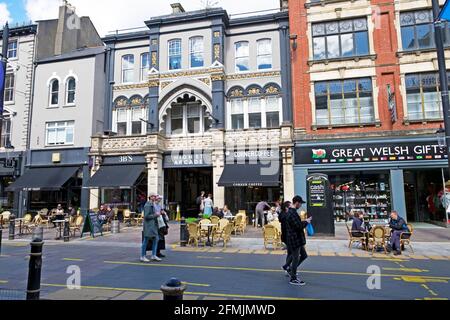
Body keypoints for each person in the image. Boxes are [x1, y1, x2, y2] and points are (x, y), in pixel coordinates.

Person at [283, 196, 311, 286]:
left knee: (303, 255)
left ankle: (290, 269)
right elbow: (298, 226)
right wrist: (306, 222)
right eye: (301, 203)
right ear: (297, 203)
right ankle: (293, 278)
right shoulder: (292, 213)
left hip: (296, 238)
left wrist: (304, 221)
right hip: (295, 239)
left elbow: (296, 224)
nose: (301, 205)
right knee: (296, 258)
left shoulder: (292, 212)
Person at [140, 194, 161, 262]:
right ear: (150, 197)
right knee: (146, 240)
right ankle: (143, 256)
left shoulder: (152, 204)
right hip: (149, 225)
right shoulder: (148, 205)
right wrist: (155, 215)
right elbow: (146, 216)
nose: (155, 197)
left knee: (156, 238)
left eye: (155, 196)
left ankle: (153, 255)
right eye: (153, 196)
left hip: (152, 225)